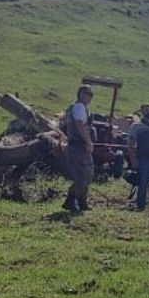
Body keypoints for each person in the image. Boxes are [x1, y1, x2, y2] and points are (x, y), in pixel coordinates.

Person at [62, 84, 95, 213]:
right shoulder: (79, 107)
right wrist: (88, 141)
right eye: (88, 94)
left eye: (91, 94)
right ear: (81, 94)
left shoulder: (79, 107)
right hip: (79, 145)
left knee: (86, 173)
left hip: (78, 144)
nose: (90, 97)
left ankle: (82, 202)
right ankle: (71, 199)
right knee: (85, 174)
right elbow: (79, 125)